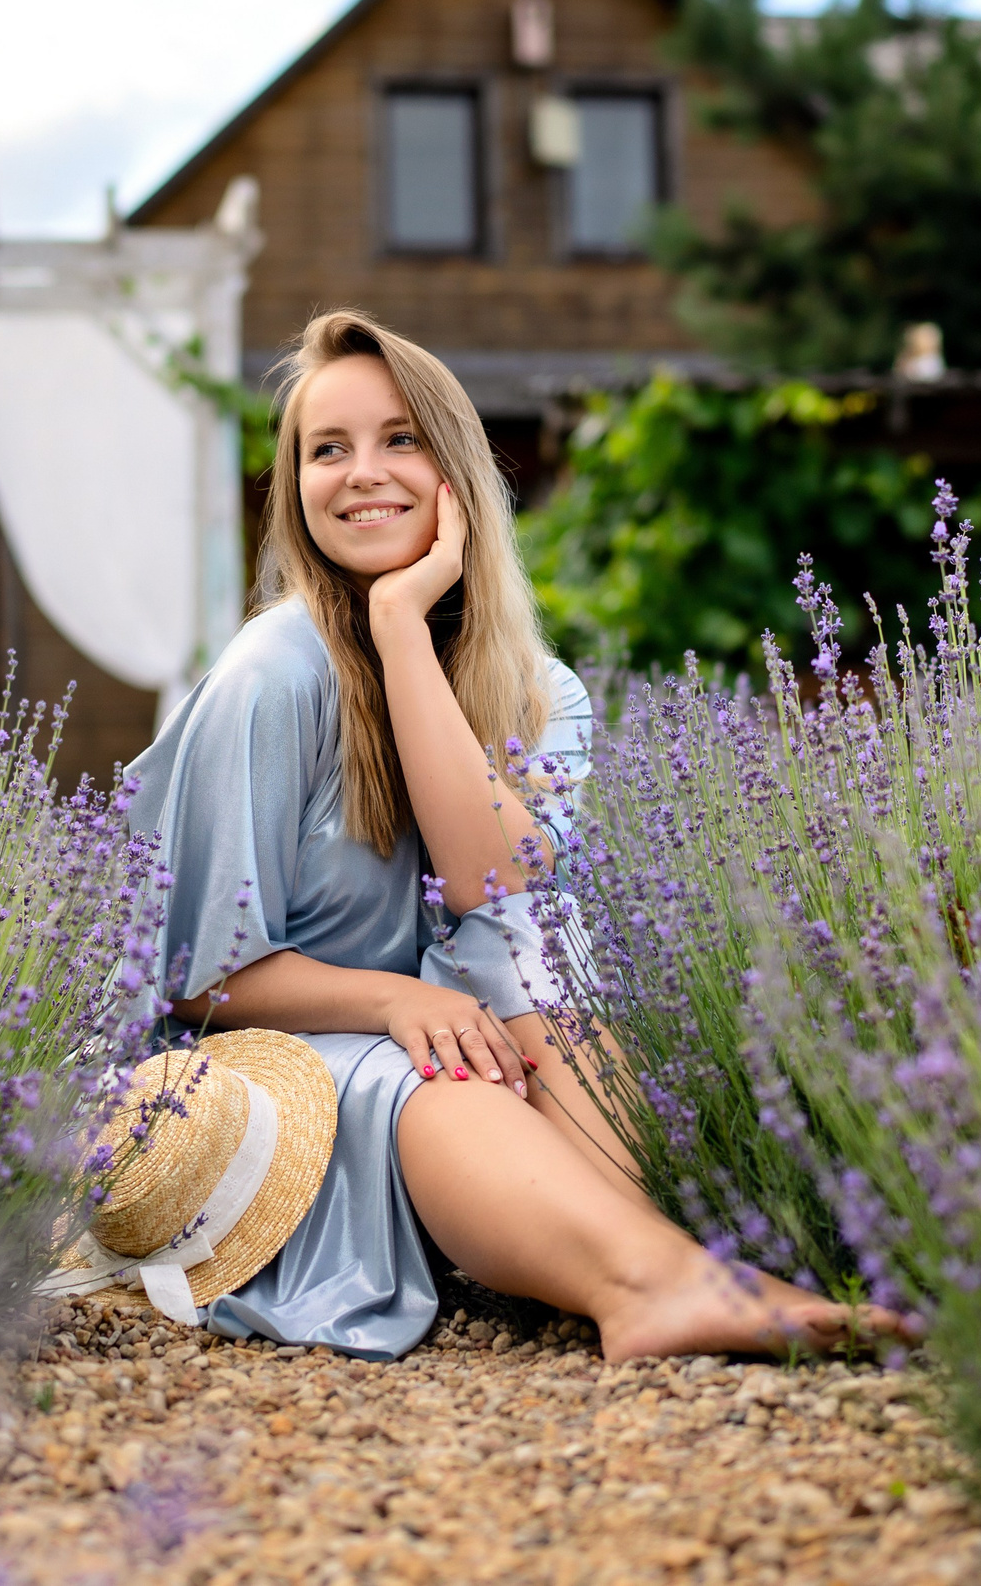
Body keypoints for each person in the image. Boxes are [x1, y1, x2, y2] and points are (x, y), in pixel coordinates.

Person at [125, 309, 903, 1361]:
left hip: (457, 1034)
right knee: (436, 1063)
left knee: (539, 980)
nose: (362, 474)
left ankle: (662, 1262)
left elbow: (487, 885)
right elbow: (195, 978)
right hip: (271, 1068)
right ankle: (651, 1285)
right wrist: (397, 998)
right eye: (326, 449)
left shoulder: (542, 697)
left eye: (400, 439)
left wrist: (403, 634)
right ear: (295, 490)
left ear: (457, 471)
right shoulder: (275, 673)